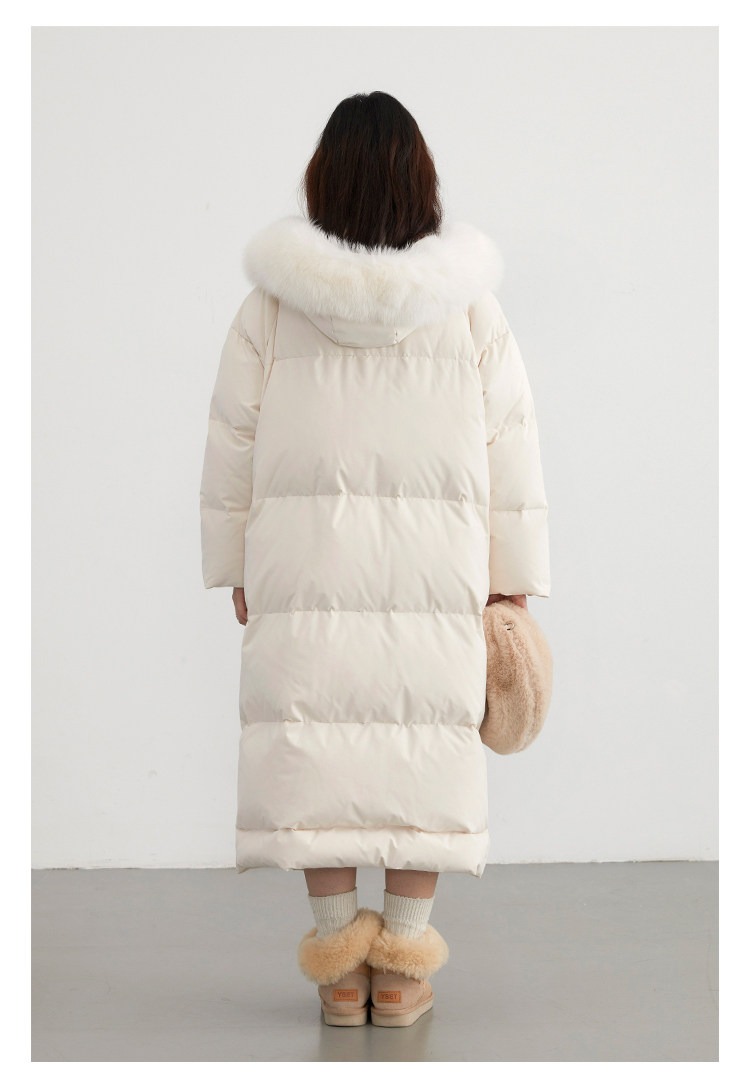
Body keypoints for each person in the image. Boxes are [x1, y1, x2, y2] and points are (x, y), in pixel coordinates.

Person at [200, 91, 550, 1028]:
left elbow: (232, 441)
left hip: (303, 570)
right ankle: (399, 975)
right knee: (422, 745)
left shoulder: (270, 307)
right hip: (437, 577)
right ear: (421, 182)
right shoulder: (469, 307)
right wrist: (512, 576)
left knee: (312, 743)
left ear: (323, 181)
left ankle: (336, 974)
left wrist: (236, 564)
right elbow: (511, 447)